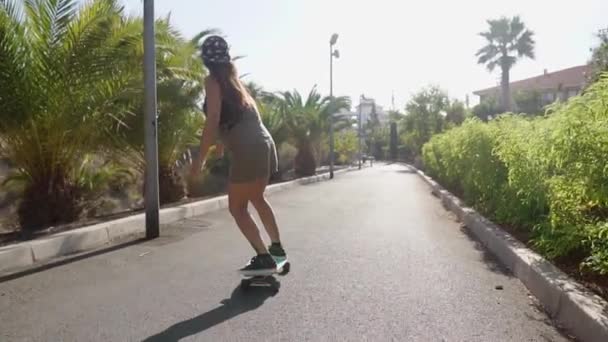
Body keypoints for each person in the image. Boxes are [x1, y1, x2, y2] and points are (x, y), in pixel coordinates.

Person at [190, 35, 286, 275]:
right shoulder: (236, 82)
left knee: (237, 208)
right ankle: (277, 250)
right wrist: (221, 148)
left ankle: (264, 258)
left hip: (247, 149)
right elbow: (236, 118)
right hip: (264, 144)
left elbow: (213, 119)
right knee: (257, 198)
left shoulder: (212, 81)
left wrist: (199, 160)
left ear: (206, 61)